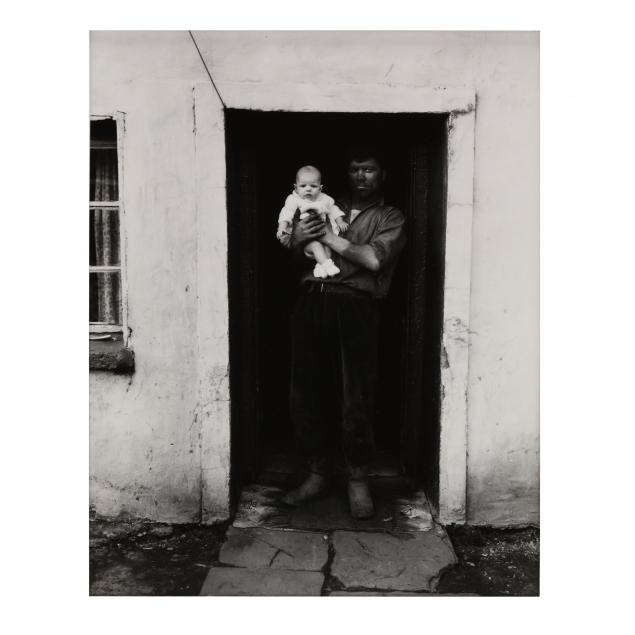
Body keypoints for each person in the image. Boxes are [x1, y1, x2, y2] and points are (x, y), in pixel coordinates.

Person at [281, 148, 406, 519]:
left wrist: (330, 240)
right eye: (355, 169)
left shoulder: (390, 215)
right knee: (305, 391)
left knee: (357, 393)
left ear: (382, 174)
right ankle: (317, 474)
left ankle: (356, 479)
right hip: (312, 300)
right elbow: (292, 250)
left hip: (356, 305)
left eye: (368, 169)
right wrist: (300, 241)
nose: (360, 176)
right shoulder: (319, 201)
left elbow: (374, 259)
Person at [276, 165, 349, 278]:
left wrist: (340, 221)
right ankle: (327, 265)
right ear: (296, 188)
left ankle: (320, 267)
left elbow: (334, 210)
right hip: (306, 238)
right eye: (303, 186)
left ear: (320, 188)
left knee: (328, 248)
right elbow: (286, 213)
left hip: (324, 234)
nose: (308, 189)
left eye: (313, 186)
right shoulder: (294, 199)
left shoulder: (324, 199)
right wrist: (282, 228)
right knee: (316, 246)